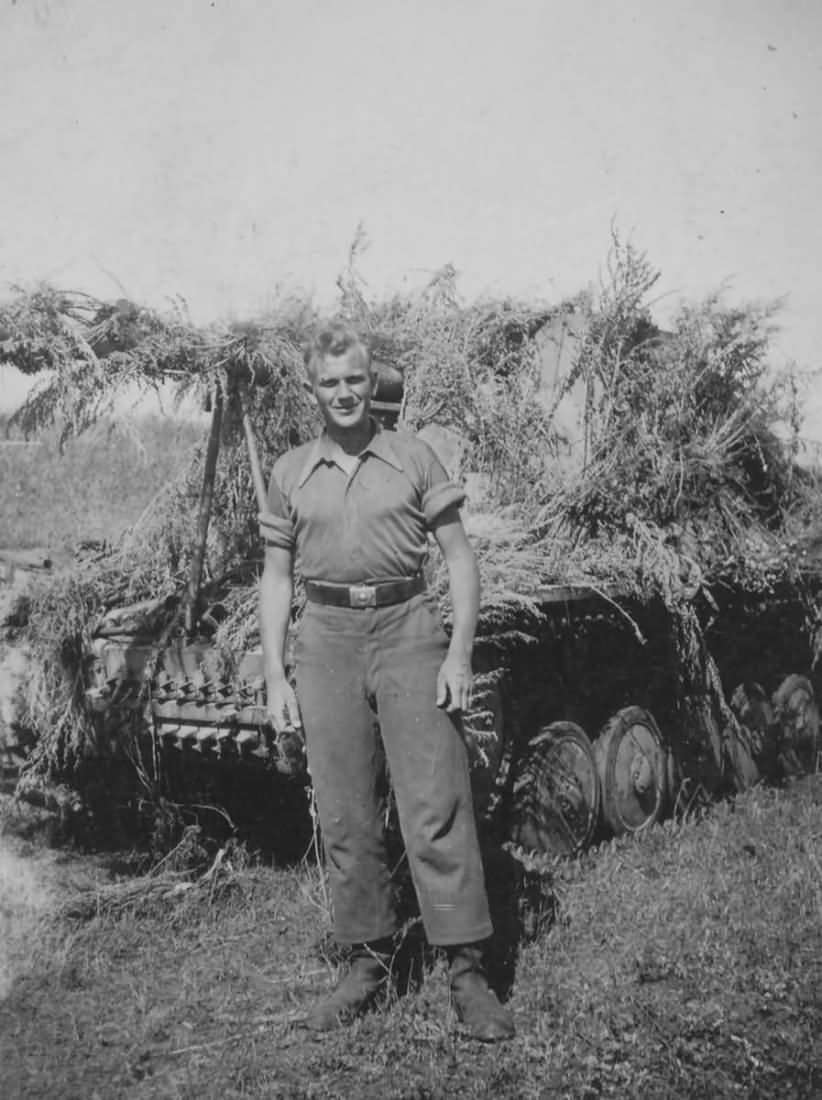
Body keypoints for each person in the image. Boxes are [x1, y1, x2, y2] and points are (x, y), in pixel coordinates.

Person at [258, 321, 514, 1043]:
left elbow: (461, 562)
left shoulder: (413, 458)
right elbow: (276, 579)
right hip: (326, 642)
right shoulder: (290, 472)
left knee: (435, 803)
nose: (343, 394)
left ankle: (467, 971)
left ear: (374, 385)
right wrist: (276, 674)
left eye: (354, 381)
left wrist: (457, 655)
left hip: (406, 630)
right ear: (313, 391)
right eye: (329, 383)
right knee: (342, 812)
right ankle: (367, 961)